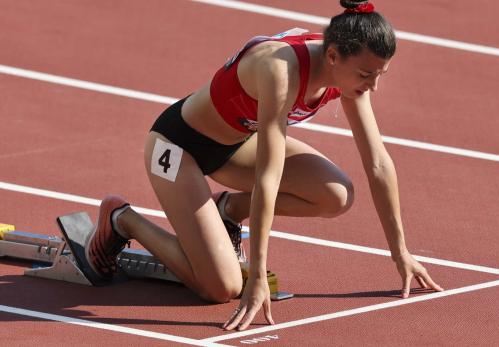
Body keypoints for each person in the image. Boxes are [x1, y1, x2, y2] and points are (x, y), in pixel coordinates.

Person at [85, 0, 443, 332]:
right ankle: (123, 219)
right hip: (179, 149)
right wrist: (255, 277)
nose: (374, 86)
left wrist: (401, 252)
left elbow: (377, 162)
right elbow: (267, 178)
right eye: (367, 75)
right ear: (332, 56)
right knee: (222, 287)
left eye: (381, 74)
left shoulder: (347, 67)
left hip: (236, 144)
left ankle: (227, 209)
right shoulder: (280, 71)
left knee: (337, 195)